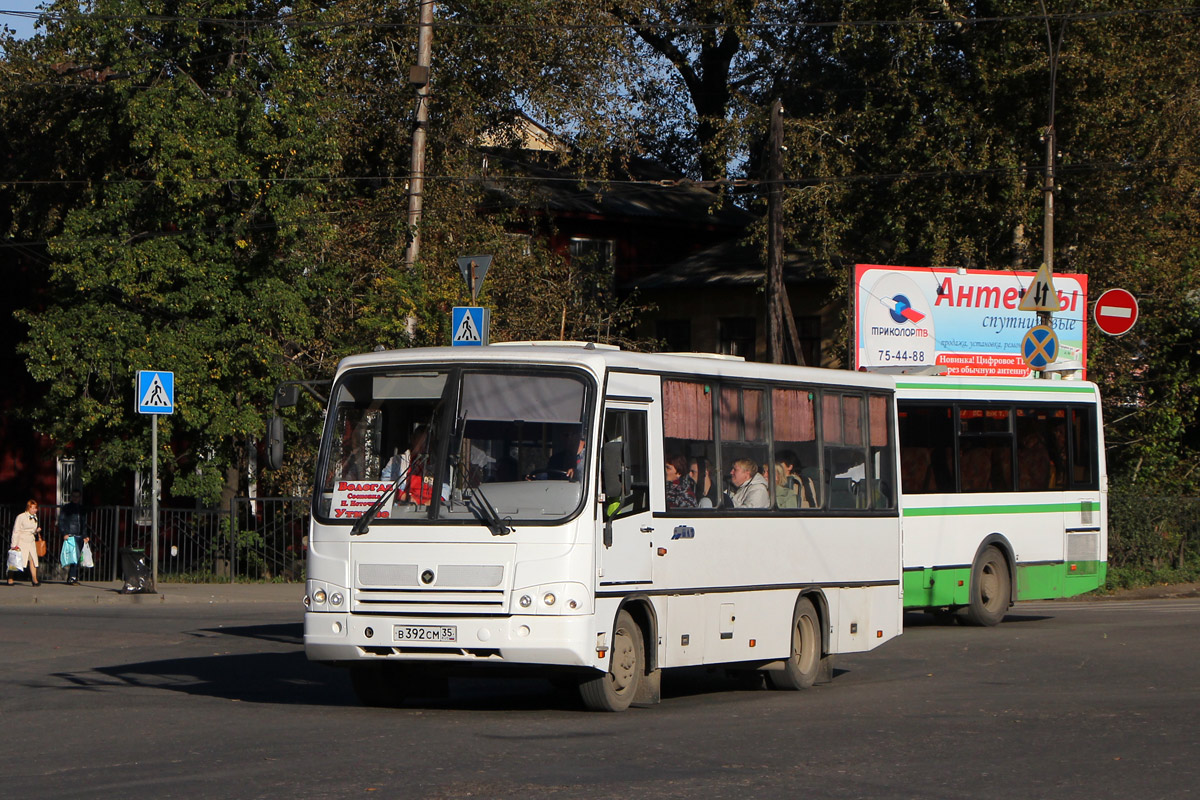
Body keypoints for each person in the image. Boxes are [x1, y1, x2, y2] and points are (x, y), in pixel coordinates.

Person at [59, 490, 90, 585]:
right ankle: (72, 577)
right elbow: (61, 521)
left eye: (78, 496)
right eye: (74, 496)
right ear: (71, 497)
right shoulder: (66, 508)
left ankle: (72, 576)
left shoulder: (82, 508)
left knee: (77, 557)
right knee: (73, 556)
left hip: (79, 534)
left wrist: (85, 535)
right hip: (71, 535)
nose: (76, 498)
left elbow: (83, 523)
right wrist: (64, 533)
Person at [8, 499, 42, 587]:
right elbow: (16, 530)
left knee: (33, 559)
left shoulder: (35, 517)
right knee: (16, 559)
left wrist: (36, 531)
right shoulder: (21, 517)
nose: (35, 510)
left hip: (31, 541)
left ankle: (34, 579)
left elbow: (32, 530)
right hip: (21, 541)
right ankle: (10, 577)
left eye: (36, 508)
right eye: (33, 508)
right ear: (28, 508)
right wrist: (13, 544)